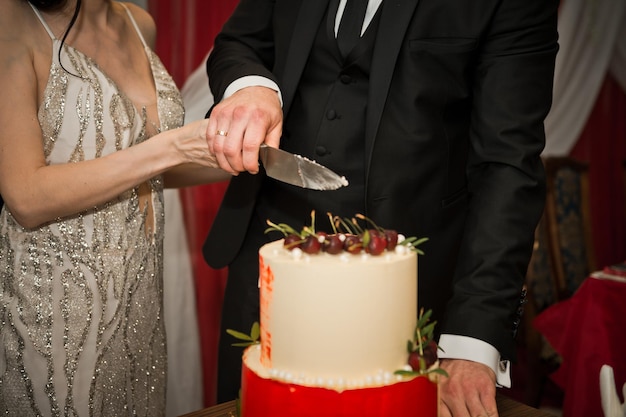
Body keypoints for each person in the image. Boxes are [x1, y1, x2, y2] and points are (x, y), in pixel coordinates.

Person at [203, 0, 559, 416]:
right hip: (265, 272)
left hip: (408, 297)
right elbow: (240, 40)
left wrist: (470, 341)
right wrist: (250, 85)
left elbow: (508, 166)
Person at [0, 0, 230, 415]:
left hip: (139, 302)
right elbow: (25, 196)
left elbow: (139, 170)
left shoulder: (139, 22)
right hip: (55, 312)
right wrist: (171, 146)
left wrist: (241, 162)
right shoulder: (11, 18)